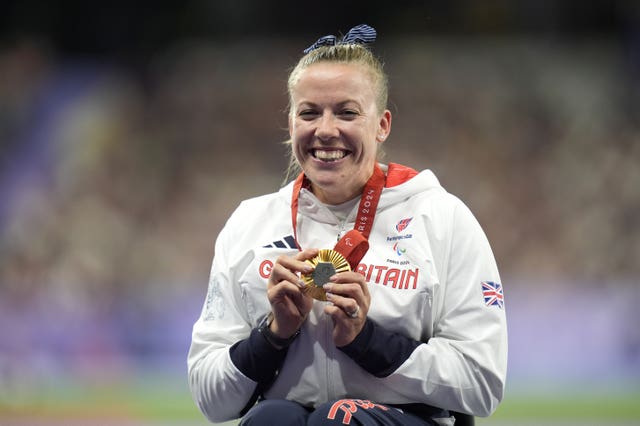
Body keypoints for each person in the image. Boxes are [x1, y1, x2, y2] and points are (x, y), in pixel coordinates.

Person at [188, 24, 507, 426]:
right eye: (309, 113)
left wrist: (366, 340)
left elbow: (483, 382)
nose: (325, 130)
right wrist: (273, 334)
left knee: (334, 421)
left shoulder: (442, 218)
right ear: (290, 125)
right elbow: (209, 399)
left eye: (347, 112)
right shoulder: (249, 224)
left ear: (382, 125)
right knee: (272, 420)